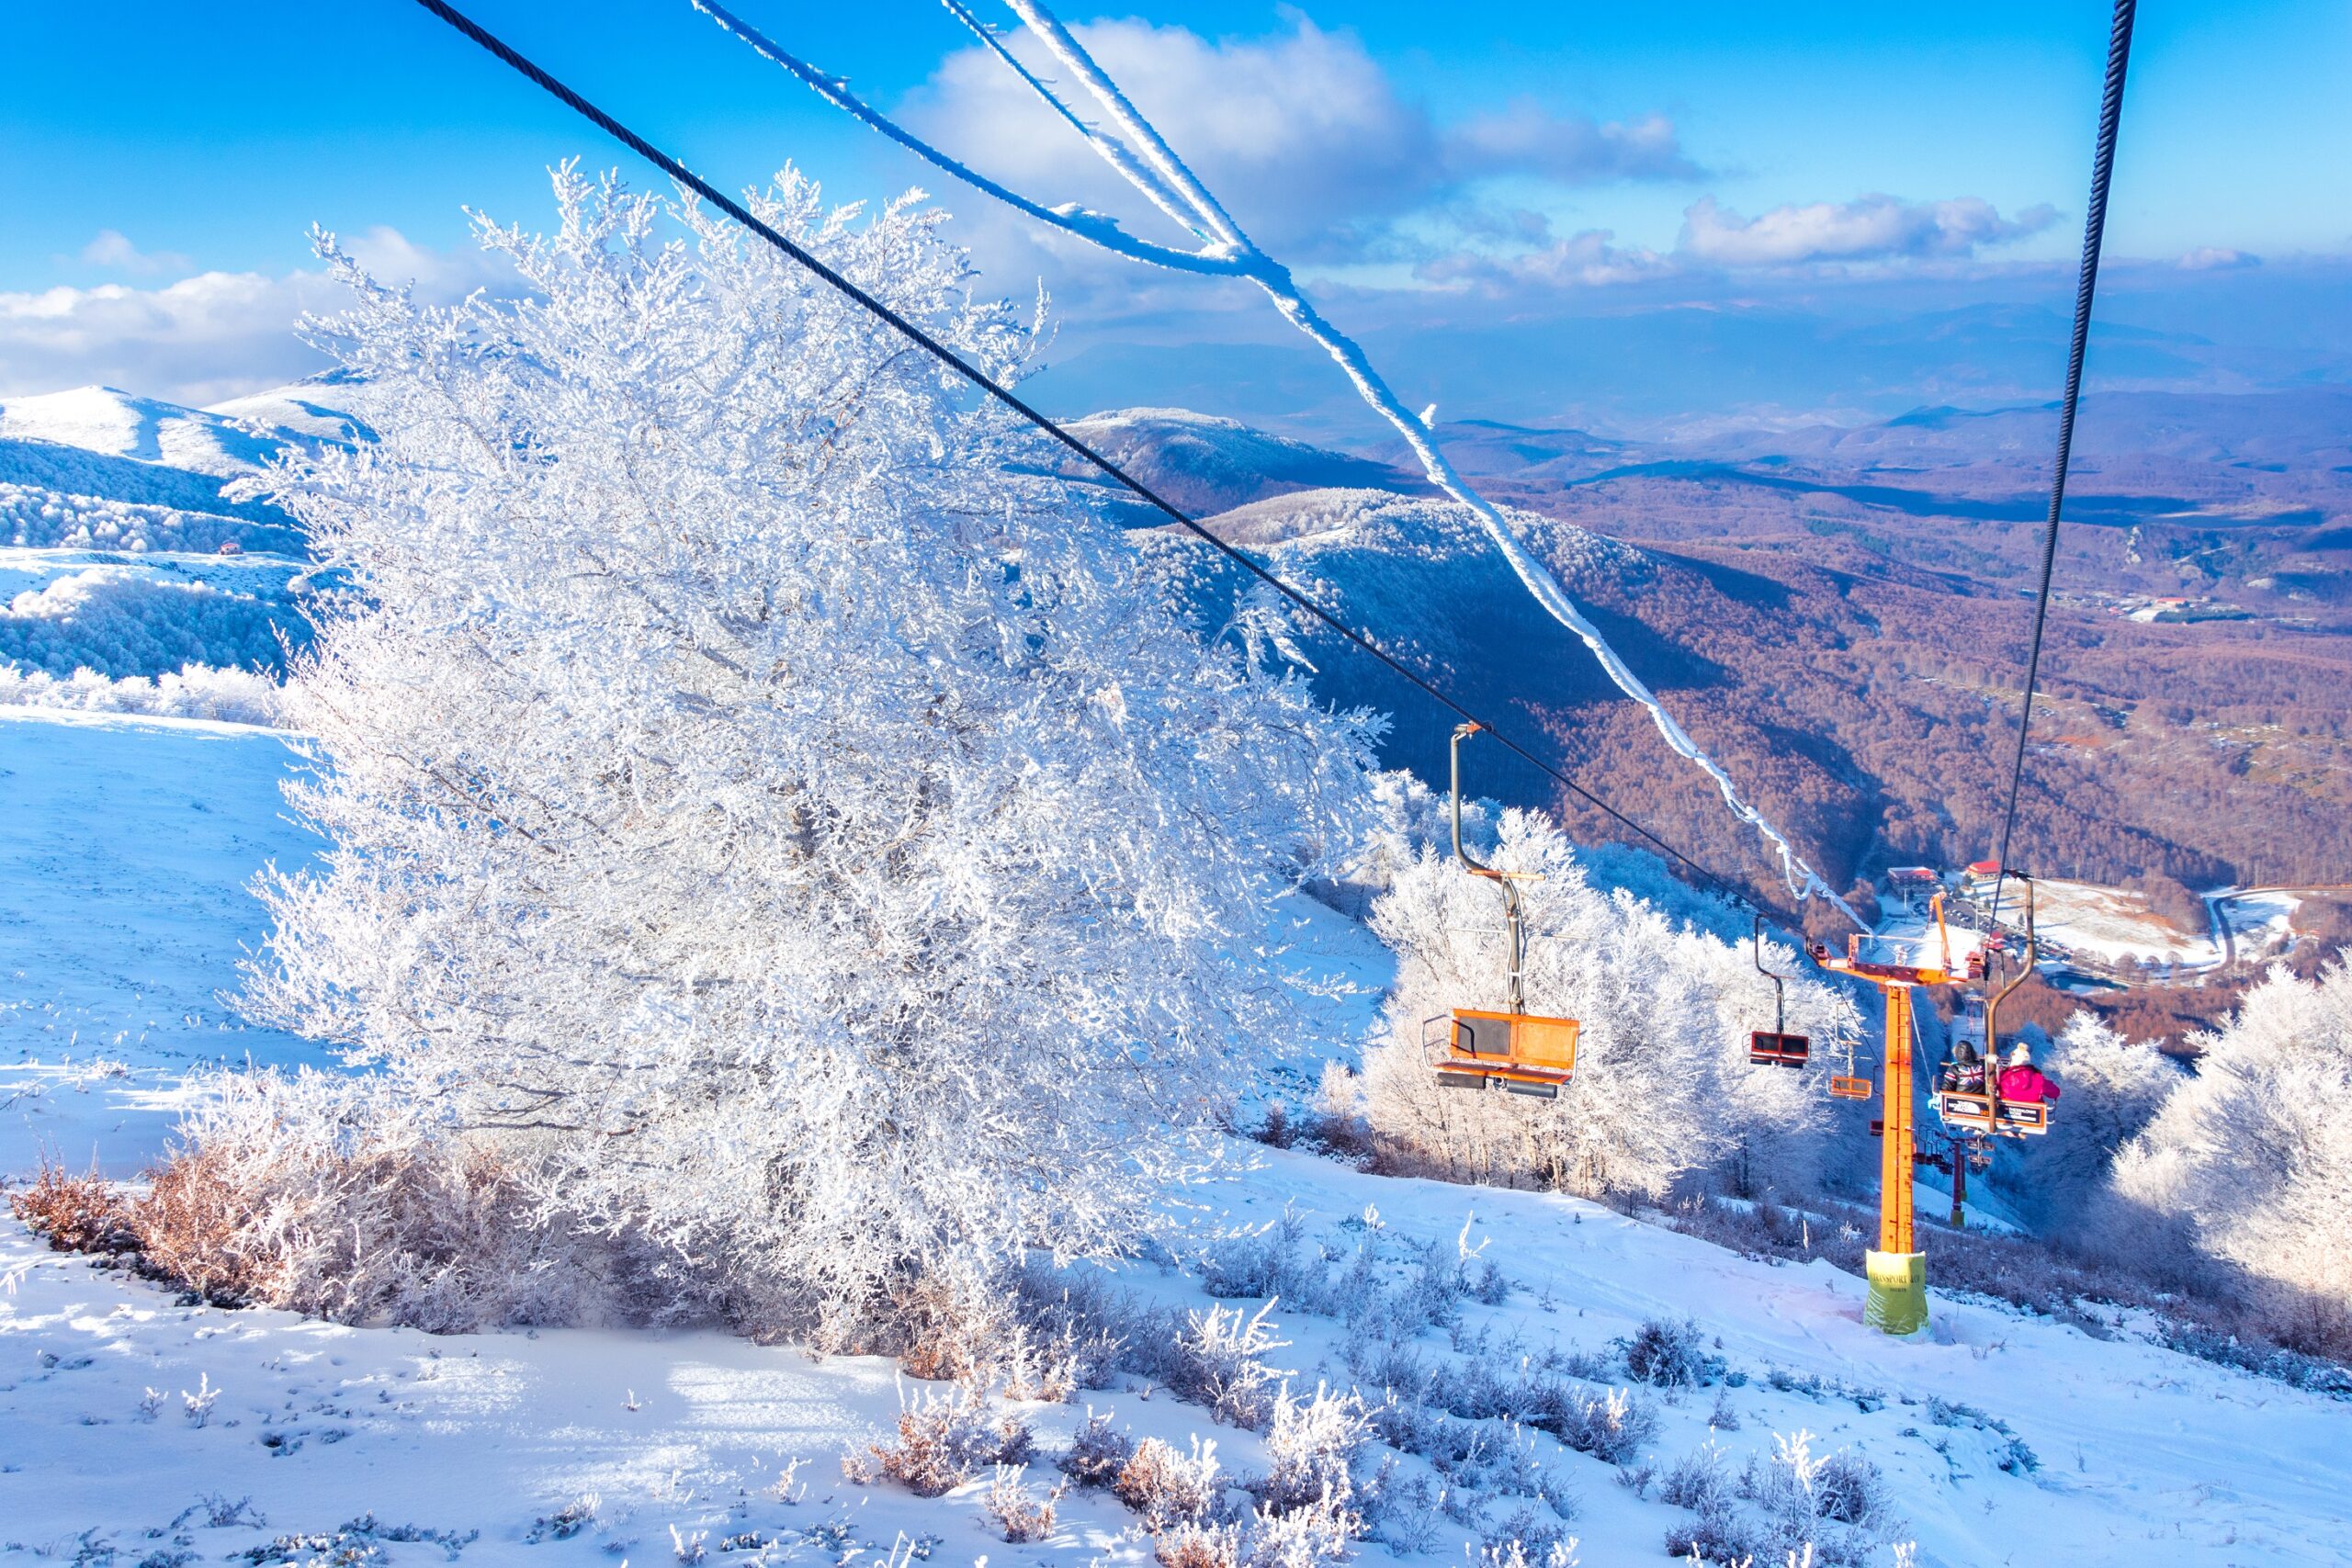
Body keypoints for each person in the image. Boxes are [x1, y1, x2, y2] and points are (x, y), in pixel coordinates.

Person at [1996, 1042, 2062, 1104]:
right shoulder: (2038, 1078)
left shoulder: (2003, 1076)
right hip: (2034, 1110)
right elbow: (2055, 1092)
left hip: (2006, 1109)